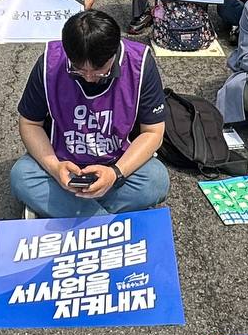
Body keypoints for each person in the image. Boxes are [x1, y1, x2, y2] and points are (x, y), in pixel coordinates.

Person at [12, 11, 169, 217]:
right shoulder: (50, 63)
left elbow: (153, 132)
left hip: (116, 162)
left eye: (99, 71)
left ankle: (70, 211)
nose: (89, 78)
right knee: (21, 176)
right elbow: (30, 124)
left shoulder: (140, 63)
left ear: (114, 53)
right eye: (78, 70)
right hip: (63, 165)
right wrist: (55, 168)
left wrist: (116, 173)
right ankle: (104, 220)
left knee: (156, 180)